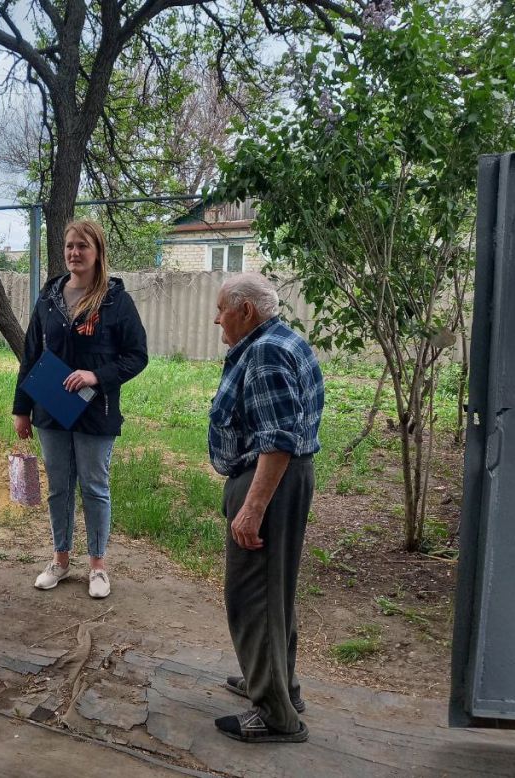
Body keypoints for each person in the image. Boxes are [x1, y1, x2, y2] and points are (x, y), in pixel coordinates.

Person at [207, 273, 324, 744]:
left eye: (221, 309)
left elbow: (278, 440)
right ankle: (278, 684)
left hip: (268, 481)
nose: (217, 318)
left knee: (253, 597)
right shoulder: (285, 340)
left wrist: (253, 507)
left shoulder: (265, 352)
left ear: (245, 310)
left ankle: (276, 715)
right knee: (273, 590)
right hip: (282, 480)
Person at [12, 219, 148, 599]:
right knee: (59, 488)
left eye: (82, 246)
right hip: (51, 410)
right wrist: (22, 408)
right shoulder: (49, 297)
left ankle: (98, 566)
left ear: (97, 251)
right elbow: (31, 355)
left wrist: (95, 375)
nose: (74, 253)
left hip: (95, 411)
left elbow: (137, 356)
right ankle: (59, 559)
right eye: (70, 245)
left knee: (94, 487)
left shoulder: (115, 301)